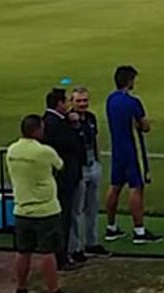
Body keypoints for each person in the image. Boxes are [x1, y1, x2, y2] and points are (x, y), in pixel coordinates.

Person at [1, 115, 73, 293]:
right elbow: (60, 165)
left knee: (22, 252)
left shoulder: (12, 150)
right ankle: (53, 292)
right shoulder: (44, 152)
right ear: (37, 130)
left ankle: (21, 290)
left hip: (22, 209)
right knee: (47, 252)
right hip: (45, 210)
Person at [104, 65, 162, 244]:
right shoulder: (133, 102)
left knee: (115, 186)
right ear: (129, 81)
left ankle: (111, 227)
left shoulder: (110, 100)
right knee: (136, 187)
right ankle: (139, 230)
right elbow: (145, 126)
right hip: (132, 149)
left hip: (117, 148)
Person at [42, 88, 85, 269]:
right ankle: (62, 258)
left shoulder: (52, 121)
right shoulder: (56, 123)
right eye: (66, 101)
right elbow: (72, 145)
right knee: (63, 217)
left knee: (64, 216)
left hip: (62, 176)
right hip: (63, 177)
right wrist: (75, 127)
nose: (68, 104)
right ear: (59, 104)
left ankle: (62, 255)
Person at [70, 87, 110, 259]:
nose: (82, 104)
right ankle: (75, 247)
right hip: (78, 168)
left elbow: (94, 140)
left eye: (85, 100)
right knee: (76, 209)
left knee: (93, 207)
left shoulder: (91, 118)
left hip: (93, 164)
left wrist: (99, 162)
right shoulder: (69, 121)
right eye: (78, 101)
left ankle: (92, 242)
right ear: (72, 102)